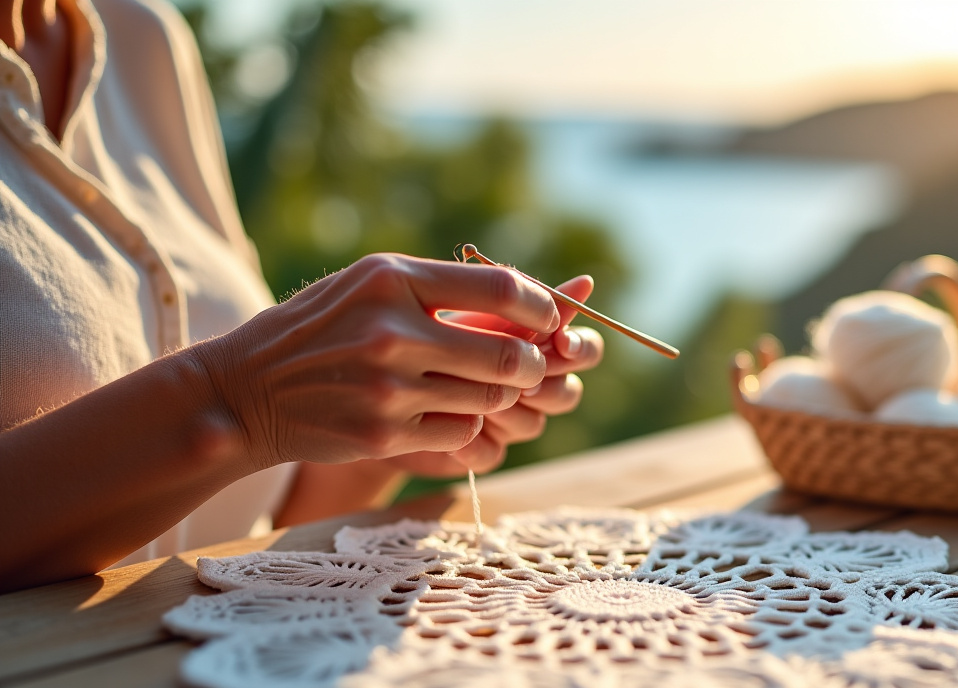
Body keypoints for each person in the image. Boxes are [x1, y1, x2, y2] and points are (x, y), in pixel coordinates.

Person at [0, 0, 604, 592]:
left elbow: (254, 525)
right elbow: (242, 413)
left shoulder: (141, 36)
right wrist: (240, 404)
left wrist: (382, 429)